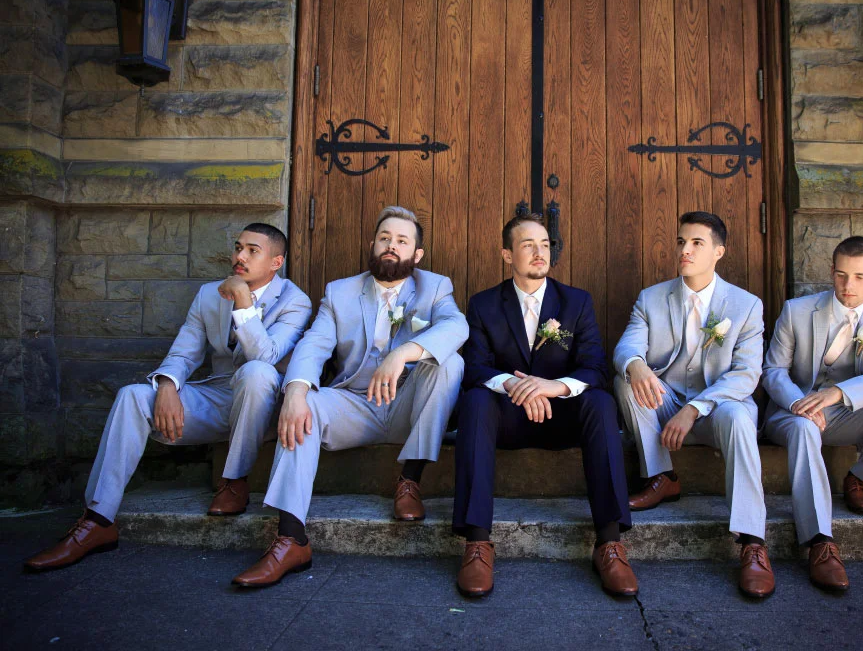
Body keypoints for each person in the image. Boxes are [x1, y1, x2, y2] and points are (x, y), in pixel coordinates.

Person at [25, 223, 311, 571]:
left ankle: (233, 481)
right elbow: (184, 352)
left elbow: (264, 357)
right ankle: (97, 520)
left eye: (253, 250)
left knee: (257, 373)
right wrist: (166, 385)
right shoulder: (209, 295)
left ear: (275, 262)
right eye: (238, 247)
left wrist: (242, 299)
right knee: (132, 396)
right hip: (217, 397)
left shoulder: (296, 301)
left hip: (263, 408)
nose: (239, 256)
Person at [232, 206, 468, 588]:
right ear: (372, 245)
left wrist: (401, 353)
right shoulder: (339, 292)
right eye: (385, 238)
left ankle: (410, 480)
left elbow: (457, 326)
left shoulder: (435, 287)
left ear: (417, 255)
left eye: (402, 241)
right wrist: (295, 391)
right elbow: (313, 345)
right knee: (303, 404)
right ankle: (291, 538)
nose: (392, 246)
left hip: (410, 404)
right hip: (355, 405)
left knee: (449, 364)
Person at [452, 213, 636, 598]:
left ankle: (609, 543)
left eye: (545, 245)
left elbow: (595, 368)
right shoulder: (484, 304)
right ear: (507, 254)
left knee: (601, 403)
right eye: (527, 245)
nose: (540, 253)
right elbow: (475, 367)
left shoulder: (576, 301)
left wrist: (551, 387)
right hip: (506, 418)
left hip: (561, 417)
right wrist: (518, 388)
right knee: (474, 402)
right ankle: (476, 543)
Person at [614, 211, 772, 598]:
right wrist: (636, 366)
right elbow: (627, 347)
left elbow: (746, 375)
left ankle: (752, 542)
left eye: (697, 243)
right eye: (681, 241)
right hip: (666, 402)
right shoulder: (652, 298)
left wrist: (696, 408)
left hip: (718, 407)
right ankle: (662, 476)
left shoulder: (747, 305)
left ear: (719, 252)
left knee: (739, 415)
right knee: (626, 381)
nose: (685, 250)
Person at [762, 236, 863, 591]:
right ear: (831, 272)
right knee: (804, 428)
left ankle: (860, 478)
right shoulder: (797, 310)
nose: (848, 286)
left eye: (860, 277)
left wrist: (839, 393)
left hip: (848, 413)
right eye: (841, 275)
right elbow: (772, 371)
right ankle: (820, 541)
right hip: (793, 415)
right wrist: (797, 404)